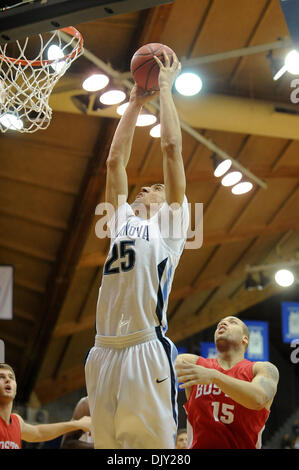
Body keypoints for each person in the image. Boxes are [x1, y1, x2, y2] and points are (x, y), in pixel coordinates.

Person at [85, 50, 189, 449]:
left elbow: (172, 149)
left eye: (158, 188)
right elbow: (115, 162)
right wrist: (133, 102)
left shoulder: (171, 228)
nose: (149, 188)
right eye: (147, 186)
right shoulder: (121, 222)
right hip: (102, 349)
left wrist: (164, 89)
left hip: (146, 347)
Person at [175, 316, 279, 449]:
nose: (223, 323)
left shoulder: (262, 369)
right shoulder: (192, 363)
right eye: (220, 323)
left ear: (244, 339)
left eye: (232, 322)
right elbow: (158, 371)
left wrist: (215, 377)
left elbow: (259, 398)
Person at [0, 363, 91, 449]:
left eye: (11, 377)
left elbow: (38, 432)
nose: (8, 380)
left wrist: (77, 424)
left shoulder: (17, 422)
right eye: (1, 377)